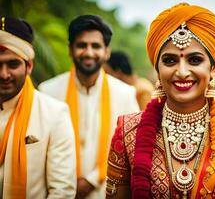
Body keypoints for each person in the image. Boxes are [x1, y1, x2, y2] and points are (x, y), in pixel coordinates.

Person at [105, 3, 215, 199]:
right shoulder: (128, 131)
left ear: (213, 68)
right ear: (157, 69)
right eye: (170, 60)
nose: (182, 72)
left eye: (194, 60)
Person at [38, 15, 139, 199]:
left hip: (106, 191)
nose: (89, 52)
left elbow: (131, 150)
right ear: (70, 50)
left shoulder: (125, 94)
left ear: (107, 52)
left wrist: (92, 179)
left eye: (96, 46)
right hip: (58, 190)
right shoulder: (47, 92)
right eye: (82, 45)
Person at [0, 16, 76, 198]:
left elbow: (62, 190)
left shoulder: (55, 113)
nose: (4, 74)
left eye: (13, 64)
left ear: (29, 66)